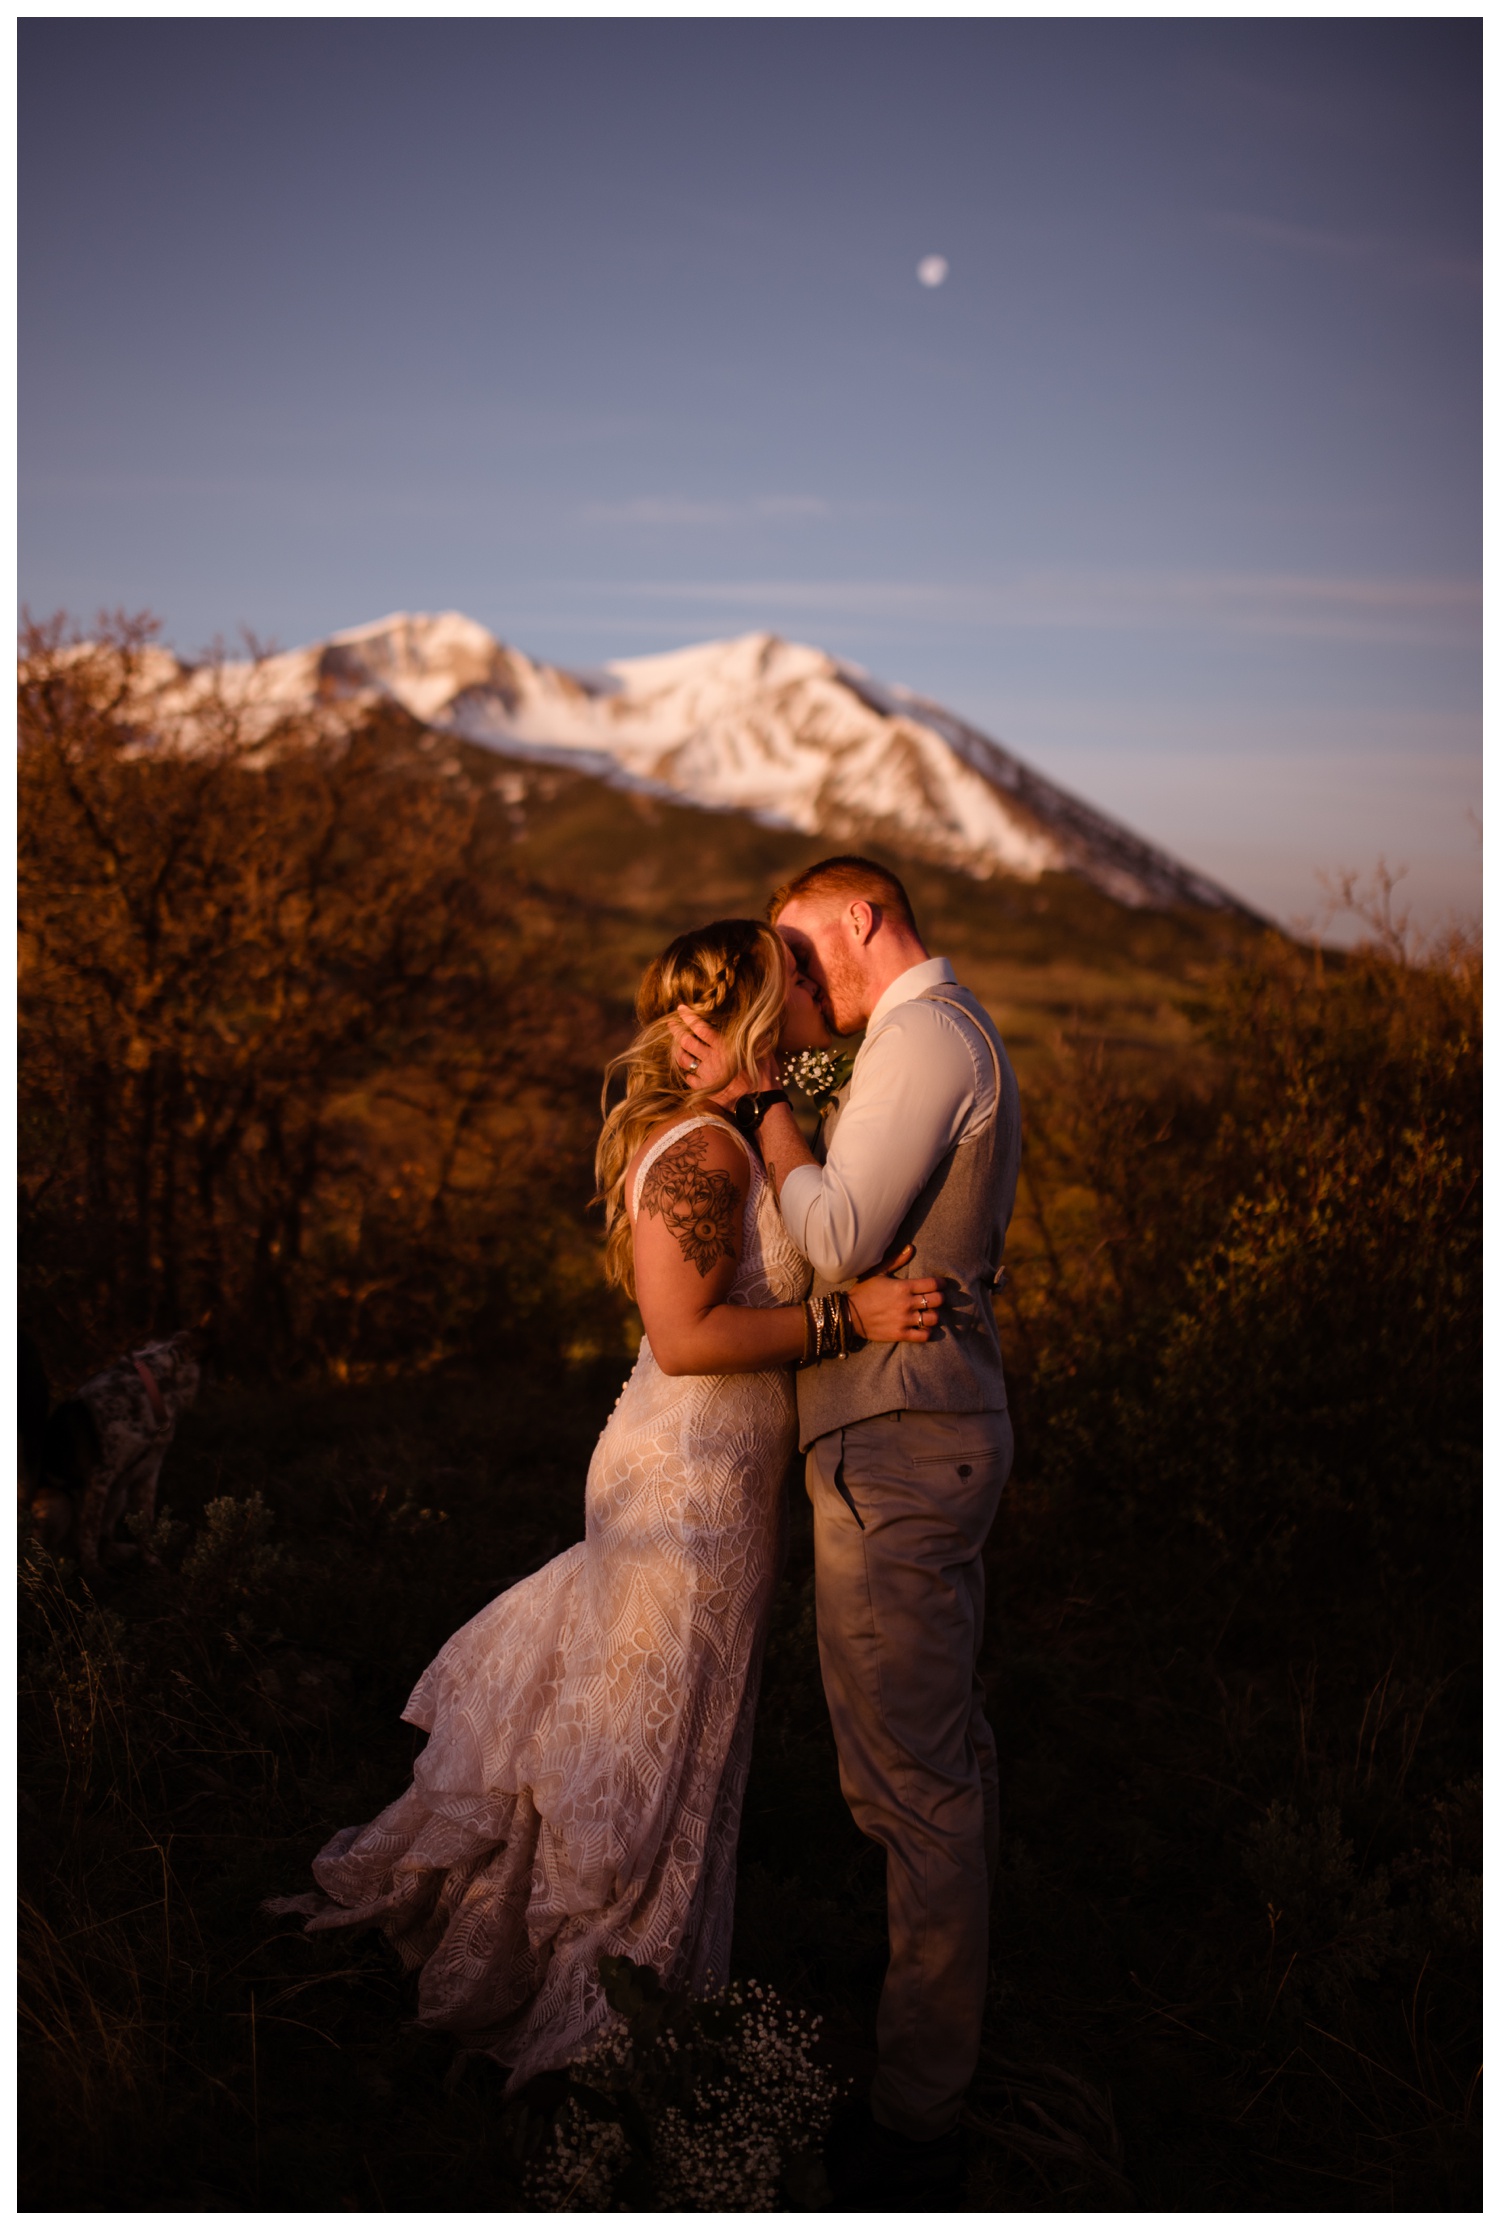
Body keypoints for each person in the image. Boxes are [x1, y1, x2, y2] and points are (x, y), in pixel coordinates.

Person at [266, 917, 943, 2092]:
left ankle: (615, 1977)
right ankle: (597, 2015)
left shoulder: (737, 1126)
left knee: (667, 1731)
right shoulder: (702, 1154)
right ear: (754, 1005)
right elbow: (685, 1339)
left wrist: (771, 1096)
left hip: (722, 1473)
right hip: (680, 1480)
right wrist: (852, 1318)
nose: (816, 988)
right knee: (646, 1739)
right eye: (796, 976)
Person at [675, 856, 1022, 2209]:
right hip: (902, 1433)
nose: (797, 978)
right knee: (922, 1772)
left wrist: (762, 1104)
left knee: (916, 1790)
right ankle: (924, 2073)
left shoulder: (926, 1036)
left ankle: (918, 2124)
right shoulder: (917, 1039)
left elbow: (837, 1238)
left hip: (901, 1436)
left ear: (865, 917)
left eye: (805, 948)